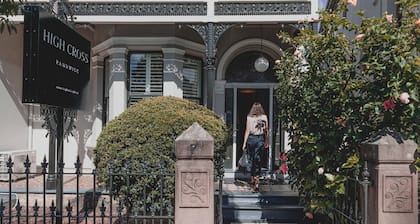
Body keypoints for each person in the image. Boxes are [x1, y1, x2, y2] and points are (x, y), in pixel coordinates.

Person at [242, 102, 269, 193]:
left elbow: (247, 131)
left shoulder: (249, 118)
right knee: (257, 160)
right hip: (260, 139)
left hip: (251, 139)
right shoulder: (264, 117)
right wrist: (267, 141)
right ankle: (256, 181)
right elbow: (266, 130)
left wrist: (244, 143)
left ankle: (253, 180)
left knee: (251, 160)